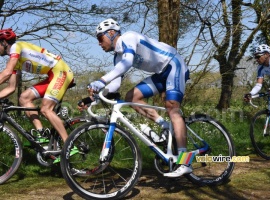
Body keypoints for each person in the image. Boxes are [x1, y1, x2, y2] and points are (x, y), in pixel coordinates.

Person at [86, 18, 190, 177]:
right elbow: (115, 84)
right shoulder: (118, 56)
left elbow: (127, 63)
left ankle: (185, 161)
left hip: (173, 64)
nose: (99, 43)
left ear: (112, 33)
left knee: (172, 108)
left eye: (100, 38)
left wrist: (101, 81)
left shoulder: (128, 38)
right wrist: (95, 97)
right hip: (161, 73)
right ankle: (165, 126)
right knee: (131, 97)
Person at [0, 28, 77, 162]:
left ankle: (69, 146)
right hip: (52, 75)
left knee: (46, 108)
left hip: (61, 72)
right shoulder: (15, 61)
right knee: (24, 98)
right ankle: (42, 134)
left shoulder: (16, 47)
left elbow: (6, 73)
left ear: (4, 42)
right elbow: (11, 87)